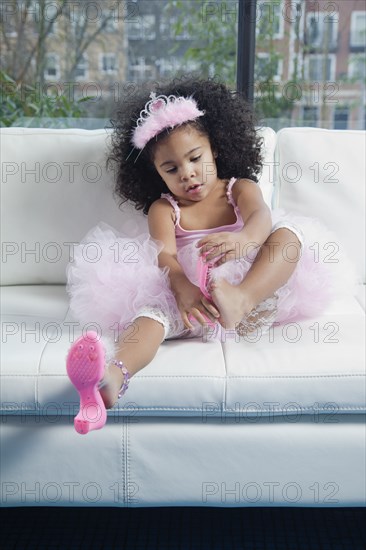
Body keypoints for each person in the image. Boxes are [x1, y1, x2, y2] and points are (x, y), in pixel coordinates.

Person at [65, 77, 344, 435]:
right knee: (150, 316)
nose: (188, 173)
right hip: (192, 299)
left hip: (250, 289)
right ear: (155, 174)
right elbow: (164, 255)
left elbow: (262, 217)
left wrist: (244, 240)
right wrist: (182, 286)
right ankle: (111, 380)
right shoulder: (164, 209)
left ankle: (241, 301)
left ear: (216, 148)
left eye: (195, 158)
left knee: (290, 238)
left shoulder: (238, 188)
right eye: (171, 169)